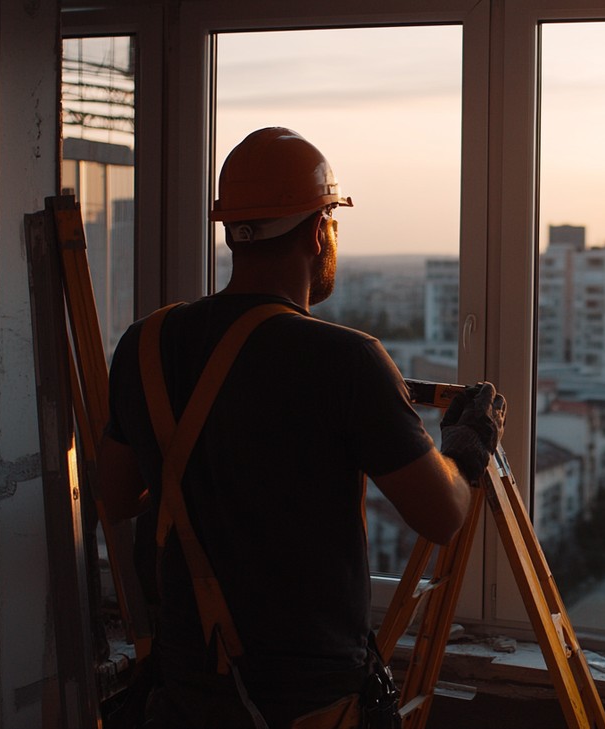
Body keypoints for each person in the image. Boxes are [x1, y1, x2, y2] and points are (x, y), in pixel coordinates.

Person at [96, 126, 505, 728]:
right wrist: (466, 446)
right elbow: (441, 515)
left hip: (184, 691)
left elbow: (115, 494)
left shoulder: (146, 344)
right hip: (308, 702)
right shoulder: (345, 359)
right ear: (319, 230)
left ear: (234, 231)